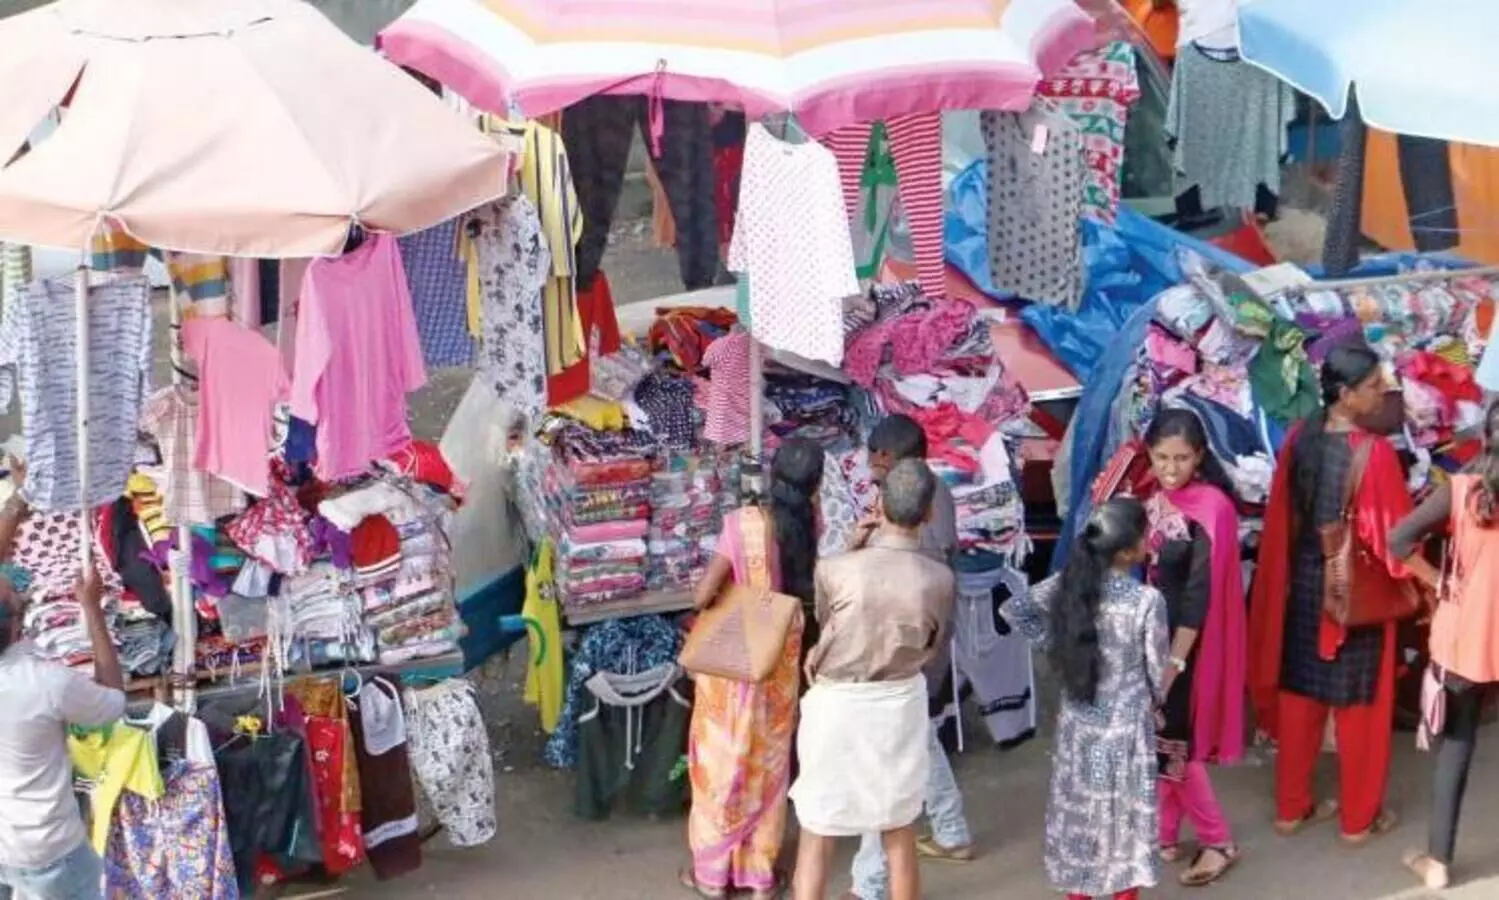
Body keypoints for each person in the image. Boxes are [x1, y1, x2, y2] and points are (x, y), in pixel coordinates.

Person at [1248, 344, 1418, 844]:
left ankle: (1291, 808)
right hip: (1353, 595)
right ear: (1345, 395)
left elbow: (1284, 515)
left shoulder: (1301, 437)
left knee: (1300, 699)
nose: (1381, 393)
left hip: (1302, 587)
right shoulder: (1375, 454)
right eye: (1372, 387)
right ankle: (1358, 820)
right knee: (1360, 708)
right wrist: (1429, 582)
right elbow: (1392, 543)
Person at [790, 459, 954, 900]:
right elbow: (933, 648)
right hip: (899, 703)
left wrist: (853, 547)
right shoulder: (939, 579)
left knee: (817, 832)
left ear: (878, 504)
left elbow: (829, 625)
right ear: (929, 514)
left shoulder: (835, 568)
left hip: (837, 704)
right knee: (899, 832)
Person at [1004, 497, 1169, 900]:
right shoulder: (1146, 601)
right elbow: (1155, 668)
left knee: (1081, 818)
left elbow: (1015, 609)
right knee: (1122, 824)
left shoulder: (1068, 585)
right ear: (1129, 551)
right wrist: (1157, 703)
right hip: (1127, 731)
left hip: (1079, 726)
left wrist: (1055, 647)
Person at [681, 439, 823, 900]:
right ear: (816, 485)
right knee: (768, 762)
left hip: (736, 657)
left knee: (723, 761)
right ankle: (760, 877)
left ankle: (712, 876)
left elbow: (703, 596)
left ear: (771, 475)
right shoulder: (811, 523)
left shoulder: (743, 526)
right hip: (781, 658)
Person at [844, 415, 972, 900]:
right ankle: (951, 828)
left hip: (907, 645)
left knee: (887, 761)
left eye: (880, 457)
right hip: (916, 643)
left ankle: (868, 883)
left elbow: (921, 570)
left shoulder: (917, 508)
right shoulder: (924, 492)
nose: (873, 465)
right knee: (917, 735)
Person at [1388, 401, 1499, 890]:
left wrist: (1437, 581)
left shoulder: (1462, 491)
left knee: (1456, 746)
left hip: (1467, 638)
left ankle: (1437, 862)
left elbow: (1398, 539)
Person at [0, 483, 126, 900]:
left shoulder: (35, 679)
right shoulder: (44, 683)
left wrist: (18, 501)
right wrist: (92, 609)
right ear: (19, 621)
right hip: (50, 852)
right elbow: (113, 701)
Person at [1139, 409, 1246, 886]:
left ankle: (1218, 840)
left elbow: (1200, 596)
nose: (1170, 468)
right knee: (1161, 742)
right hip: (1157, 639)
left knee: (1177, 746)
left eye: (1181, 458)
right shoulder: (1155, 498)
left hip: (1189, 646)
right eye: (1161, 457)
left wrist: (1175, 663)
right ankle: (1165, 832)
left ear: (1200, 456)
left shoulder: (1212, 508)